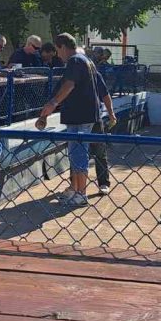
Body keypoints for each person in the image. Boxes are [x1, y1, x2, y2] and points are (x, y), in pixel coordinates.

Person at [35, 32, 99, 207]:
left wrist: (53, 103)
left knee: (79, 154)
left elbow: (69, 84)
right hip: (81, 114)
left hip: (80, 115)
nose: (58, 55)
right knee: (76, 153)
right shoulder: (84, 60)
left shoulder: (75, 61)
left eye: (57, 50)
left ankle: (81, 193)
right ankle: (76, 190)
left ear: (62, 47)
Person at [89, 68, 118, 194]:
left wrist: (111, 114)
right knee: (76, 152)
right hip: (76, 119)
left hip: (94, 117)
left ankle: (104, 183)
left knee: (100, 151)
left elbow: (105, 94)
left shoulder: (95, 74)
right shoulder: (71, 73)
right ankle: (75, 185)